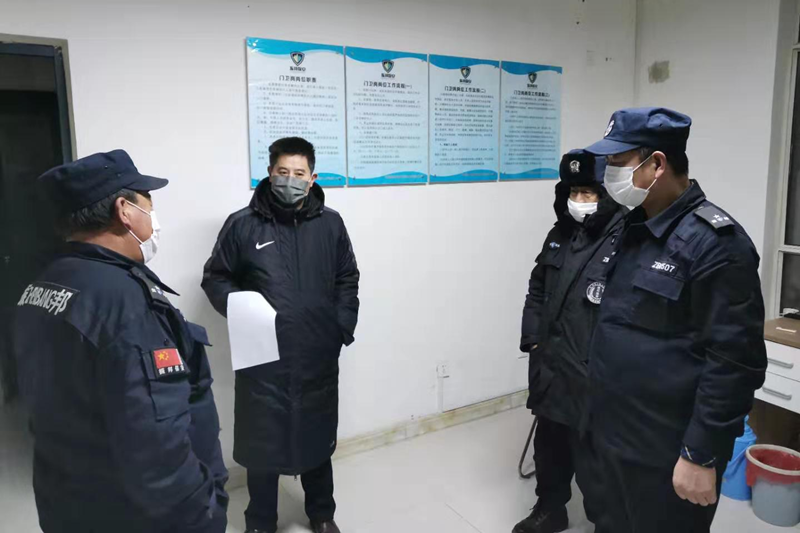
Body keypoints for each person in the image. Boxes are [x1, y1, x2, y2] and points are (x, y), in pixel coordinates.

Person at [13, 150, 228, 533]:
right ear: (124, 210)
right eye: (149, 206)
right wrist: (204, 516)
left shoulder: (45, 282)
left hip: (66, 497)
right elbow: (158, 447)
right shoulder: (124, 304)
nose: (154, 220)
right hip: (131, 512)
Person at [582, 107, 767, 533]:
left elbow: (734, 362)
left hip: (665, 449)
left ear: (657, 164)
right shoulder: (630, 228)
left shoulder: (717, 245)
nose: (609, 173)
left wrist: (699, 454)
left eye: (618, 162)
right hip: (611, 433)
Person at [202, 137, 360, 533]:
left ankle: (322, 514)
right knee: (263, 443)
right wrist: (244, 314)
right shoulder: (242, 224)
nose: (291, 180)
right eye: (283, 172)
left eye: (299, 173)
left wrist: (340, 326)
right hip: (263, 358)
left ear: (313, 178)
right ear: (270, 174)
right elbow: (216, 277)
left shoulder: (331, 224)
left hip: (316, 353)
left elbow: (347, 277)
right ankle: (260, 521)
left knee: (317, 438)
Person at [514, 150, 626, 533]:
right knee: (550, 445)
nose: (580, 200)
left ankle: (606, 524)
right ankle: (550, 509)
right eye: (573, 192)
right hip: (551, 364)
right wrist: (532, 339)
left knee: (596, 458)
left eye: (588, 192)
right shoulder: (558, 234)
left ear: (606, 193)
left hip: (593, 373)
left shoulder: (625, 237)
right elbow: (537, 289)